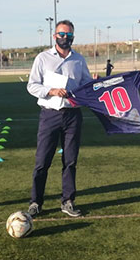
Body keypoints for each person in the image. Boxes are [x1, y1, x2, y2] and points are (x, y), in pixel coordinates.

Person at [26, 20, 97, 217]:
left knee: (70, 160)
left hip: (73, 115)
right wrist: (52, 91)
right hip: (50, 115)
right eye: (62, 34)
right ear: (54, 35)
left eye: (69, 35)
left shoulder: (79, 60)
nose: (65, 38)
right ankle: (36, 202)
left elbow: (86, 84)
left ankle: (68, 201)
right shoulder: (43, 58)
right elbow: (32, 86)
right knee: (42, 161)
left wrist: (93, 83)